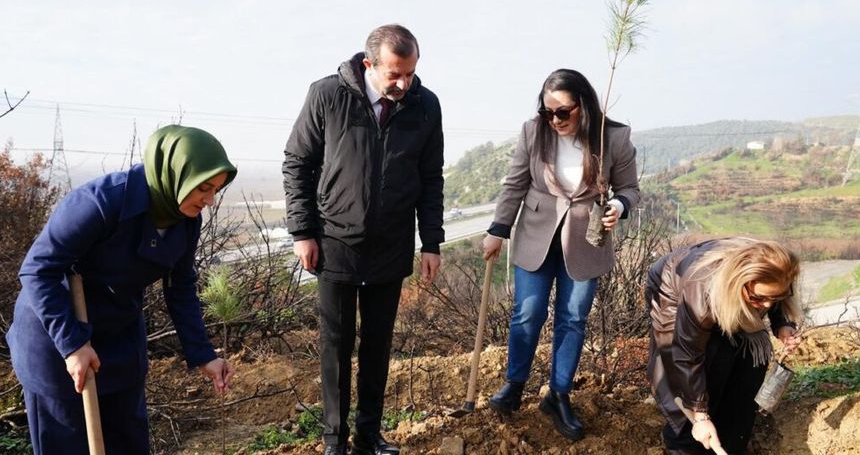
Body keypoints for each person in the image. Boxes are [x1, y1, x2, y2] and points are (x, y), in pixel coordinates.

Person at [6, 125, 237, 455]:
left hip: (118, 336)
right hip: (56, 331)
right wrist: (73, 344)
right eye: (204, 188)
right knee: (68, 445)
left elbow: (180, 285)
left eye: (216, 190)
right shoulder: (100, 202)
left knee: (128, 441)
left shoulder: (186, 218)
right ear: (175, 173)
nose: (210, 200)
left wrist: (202, 354)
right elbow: (38, 269)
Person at [282, 24, 444, 455]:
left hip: (391, 244)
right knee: (336, 345)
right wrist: (303, 231)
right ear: (369, 64)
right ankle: (334, 440)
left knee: (378, 344)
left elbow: (431, 179)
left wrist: (431, 242)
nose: (403, 84)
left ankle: (368, 436)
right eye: (395, 74)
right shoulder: (328, 95)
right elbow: (297, 162)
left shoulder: (425, 107)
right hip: (335, 242)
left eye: (410, 73)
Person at [482, 68, 640, 441]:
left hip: (587, 240)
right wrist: (498, 229)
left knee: (573, 318)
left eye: (563, 112)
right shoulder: (533, 131)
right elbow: (515, 183)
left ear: (583, 106)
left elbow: (631, 188)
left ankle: (558, 394)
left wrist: (619, 203)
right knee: (528, 312)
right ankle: (515, 384)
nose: (555, 120)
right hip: (536, 236)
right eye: (547, 112)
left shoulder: (612, 137)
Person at [646, 237, 803, 455]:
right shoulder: (700, 296)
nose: (767, 305)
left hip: (727, 291)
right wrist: (699, 417)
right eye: (759, 298)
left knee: (749, 361)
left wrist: (782, 323)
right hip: (673, 288)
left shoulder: (778, 269)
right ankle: (685, 444)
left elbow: (773, 291)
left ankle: (732, 440)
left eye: (774, 297)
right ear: (741, 282)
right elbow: (686, 355)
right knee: (705, 361)